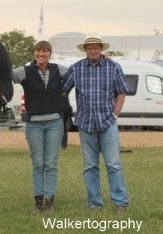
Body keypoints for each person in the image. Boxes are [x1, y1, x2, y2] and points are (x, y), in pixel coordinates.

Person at [62, 33, 129, 213]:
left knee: (113, 164)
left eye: (96, 47)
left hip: (108, 123)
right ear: (85, 50)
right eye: (89, 48)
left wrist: (114, 116)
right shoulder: (75, 69)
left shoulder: (113, 67)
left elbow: (122, 93)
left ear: (101, 49)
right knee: (90, 166)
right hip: (85, 125)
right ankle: (94, 204)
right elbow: (62, 90)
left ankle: (120, 203)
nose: (93, 50)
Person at [12, 41, 68, 212]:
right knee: (37, 163)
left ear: (50, 53)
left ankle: (49, 201)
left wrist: (105, 59)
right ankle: (38, 202)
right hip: (34, 124)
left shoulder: (60, 70)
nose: (41, 54)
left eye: (45, 51)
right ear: (34, 53)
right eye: (38, 51)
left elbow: (79, 70)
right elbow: (5, 74)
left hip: (55, 123)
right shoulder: (25, 71)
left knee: (50, 164)